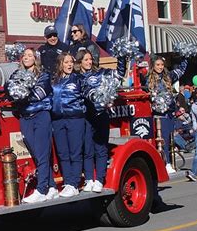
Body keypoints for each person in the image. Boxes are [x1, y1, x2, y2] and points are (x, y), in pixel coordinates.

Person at [9, 48, 57, 203]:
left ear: (36, 59)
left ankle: (41, 189)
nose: (27, 57)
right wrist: (16, 92)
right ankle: (51, 186)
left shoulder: (43, 75)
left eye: (30, 55)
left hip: (40, 116)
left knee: (43, 153)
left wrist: (21, 94)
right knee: (35, 153)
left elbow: (39, 94)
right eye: (25, 55)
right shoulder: (16, 74)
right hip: (25, 118)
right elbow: (8, 89)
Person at [75, 50, 126, 193]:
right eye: (86, 60)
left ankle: (100, 180)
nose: (89, 62)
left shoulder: (101, 73)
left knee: (101, 149)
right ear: (80, 62)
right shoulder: (76, 77)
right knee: (88, 149)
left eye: (90, 59)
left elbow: (118, 75)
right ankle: (89, 179)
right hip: (86, 117)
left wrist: (121, 58)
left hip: (101, 115)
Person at [144, 55, 187, 174]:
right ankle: (164, 163)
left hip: (168, 114)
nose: (160, 67)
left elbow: (181, 70)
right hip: (156, 115)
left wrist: (184, 56)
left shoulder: (168, 76)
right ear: (153, 66)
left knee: (168, 139)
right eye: (158, 65)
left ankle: (167, 163)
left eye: (162, 65)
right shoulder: (147, 78)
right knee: (159, 140)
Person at [51, 52, 86, 197]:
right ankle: (68, 182)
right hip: (58, 120)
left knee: (75, 152)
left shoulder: (78, 79)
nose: (69, 65)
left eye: (71, 62)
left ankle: (75, 184)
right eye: (66, 62)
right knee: (62, 153)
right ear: (60, 64)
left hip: (75, 119)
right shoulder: (54, 80)